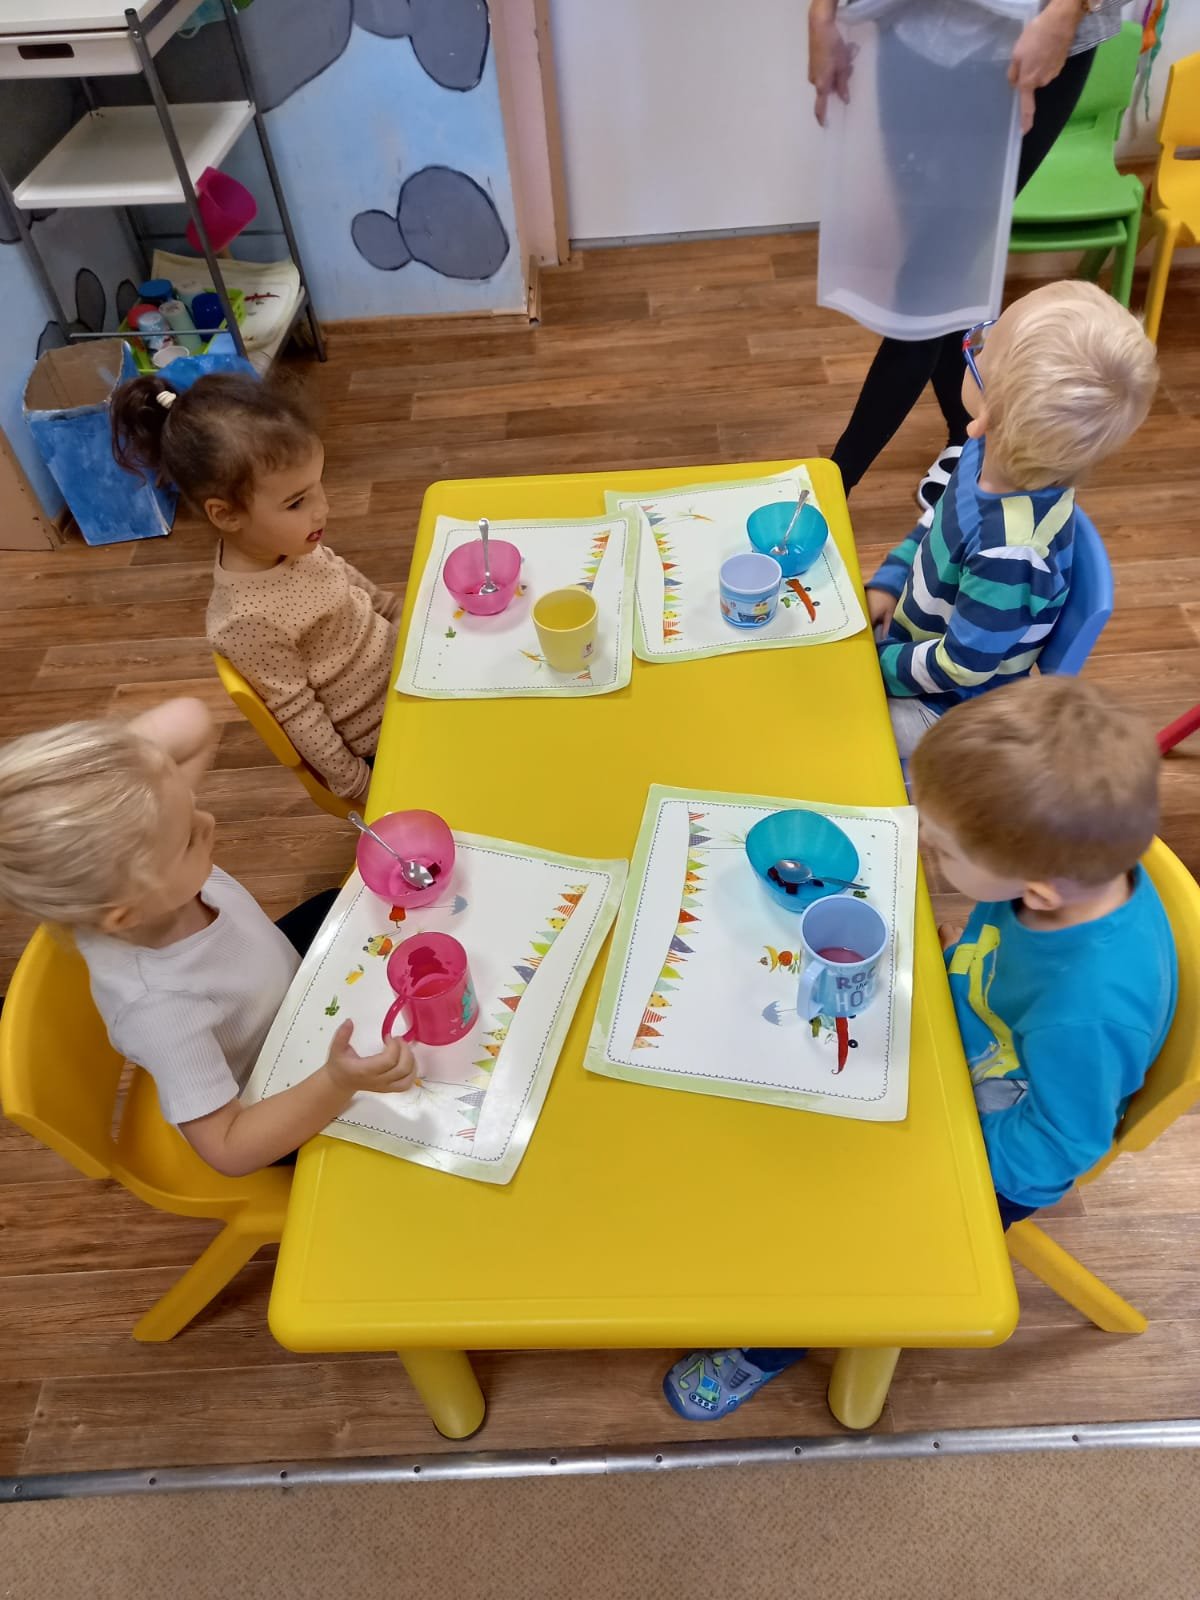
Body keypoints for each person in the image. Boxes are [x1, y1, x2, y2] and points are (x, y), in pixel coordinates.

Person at [660, 676, 1176, 1423]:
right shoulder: (1063, 880)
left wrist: (941, 1156)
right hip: (956, 1051)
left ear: (1037, 890)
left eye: (941, 850)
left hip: (999, 1151)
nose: (926, 851)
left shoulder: (1086, 1013)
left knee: (849, 1249)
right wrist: (955, 962)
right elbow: (1002, 950)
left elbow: (1063, 1145)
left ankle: (766, 1347)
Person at [0, 698, 417, 1175]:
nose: (207, 823)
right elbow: (229, 1149)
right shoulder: (162, 1010)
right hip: (277, 1091)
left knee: (349, 906)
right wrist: (336, 1082)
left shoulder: (145, 870)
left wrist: (118, 773)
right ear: (125, 913)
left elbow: (191, 720)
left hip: (279, 991)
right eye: (187, 839)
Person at [808, 0, 1128, 515]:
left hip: (1028, 40)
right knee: (940, 264)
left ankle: (831, 488)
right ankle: (966, 432)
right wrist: (820, 15)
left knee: (932, 270)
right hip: (910, 29)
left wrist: (1067, 10)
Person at [866, 279, 1156, 760]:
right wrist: (891, 579)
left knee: (829, 733)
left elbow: (963, 666)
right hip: (912, 644)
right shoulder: (987, 450)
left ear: (989, 414)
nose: (973, 345)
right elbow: (937, 521)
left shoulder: (1009, 553)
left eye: (981, 346)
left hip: (948, 712)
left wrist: (878, 667)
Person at [111, 373, 399, 801]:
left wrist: (402, 616)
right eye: (297, 502)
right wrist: (358, 785)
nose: (321, 509)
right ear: (226, 515)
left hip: (406, 677)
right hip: (386, 737)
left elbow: (354, 588)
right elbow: (298, 713)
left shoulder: (294, 543)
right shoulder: (245, 620)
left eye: (318, 485)